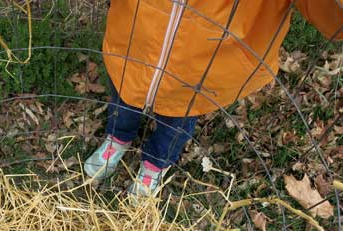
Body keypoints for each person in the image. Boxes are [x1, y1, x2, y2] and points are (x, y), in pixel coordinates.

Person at [84, 0, 343, 202]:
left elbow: (332, 20)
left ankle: (155, 164)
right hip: (138, 34)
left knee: (178, 118)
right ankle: (118, 138)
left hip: (203, 61)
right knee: (125, 94)